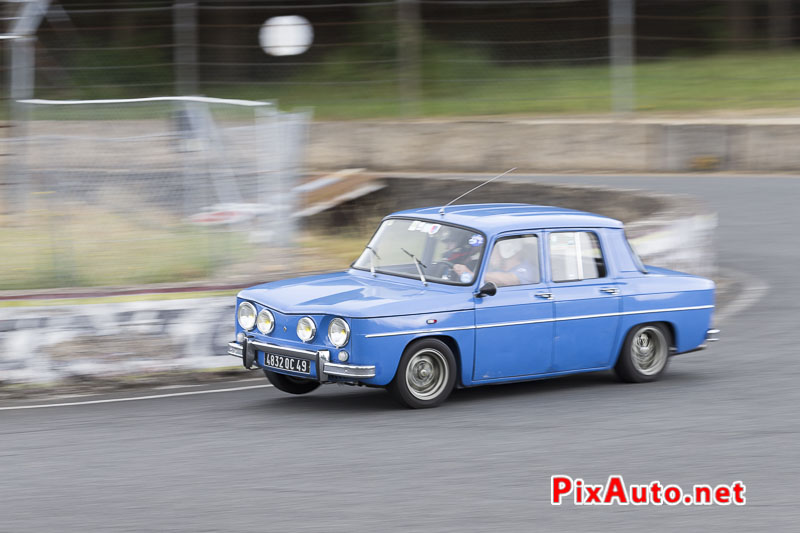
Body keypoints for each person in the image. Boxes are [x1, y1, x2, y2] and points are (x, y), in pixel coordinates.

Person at [454, 238, 536, 287]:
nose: (490, 255)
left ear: (507, 252)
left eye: (494, 251)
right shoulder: (494, 267)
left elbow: (511, 279)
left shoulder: (527, 269)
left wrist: (473, 275)